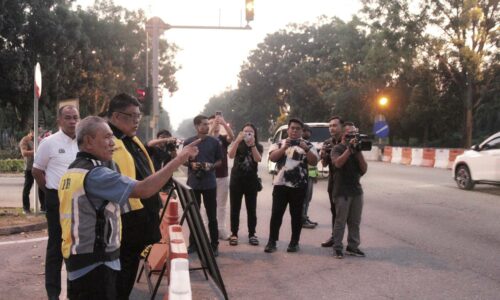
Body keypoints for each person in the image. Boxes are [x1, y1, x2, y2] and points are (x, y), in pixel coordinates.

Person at [59, 116, 199, 299]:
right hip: (96, 266)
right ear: (89, 141)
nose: (113, 143)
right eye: (107, 137)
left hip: (78, 260)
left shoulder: (73, 170)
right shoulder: (97, 175)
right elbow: (145, 189)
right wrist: (180, 159)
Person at [106, 93, 161, 299]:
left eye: (139, 116)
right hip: (125, 222)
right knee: (122, 272)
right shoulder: (109, 142)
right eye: (132, 116)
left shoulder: (129, 139)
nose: (137, 120)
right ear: (116, 116)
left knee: (128, 269)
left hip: (139, 220)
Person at [32, 105, 80, 300]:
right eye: (67, 118)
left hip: (80, 201)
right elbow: (37, 171)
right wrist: (51, 192)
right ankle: (53, 293)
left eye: (75, 117)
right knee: (56, 246)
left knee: (77, 245)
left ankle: (74, 290)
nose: (72, 122)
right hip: (56, 199)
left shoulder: (85, 141)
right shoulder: (49, 143)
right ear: (59, 120)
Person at [264, 118, 319, 253]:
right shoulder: (279, 143)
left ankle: (294, 242)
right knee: (276, 214)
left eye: (298, 129)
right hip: (280, 185)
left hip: (299, 186)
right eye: (292, 128)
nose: (294, 131)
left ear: (302, 131)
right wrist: (284, 148)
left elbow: (314, 162)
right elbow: (272, 158)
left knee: (296, 216)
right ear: (288, 130)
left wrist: (306, 149)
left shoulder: (308, 145)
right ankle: (272, 242)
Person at [184, 115, 222, 256]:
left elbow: (220, 161)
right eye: (204, 124)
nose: (207, 126)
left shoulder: (215, 142)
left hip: (210, 183)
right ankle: (193, 244)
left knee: (212, 216)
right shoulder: (189, 142)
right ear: (197, 126)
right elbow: (182, 160)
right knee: (194, 215)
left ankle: (214, 245)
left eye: (207, 124)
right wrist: (191, 164)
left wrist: (210, 166)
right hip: (193, 183)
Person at [331, 122, 368, 259]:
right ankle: (337, 248)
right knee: (340, 222)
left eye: (354, 134)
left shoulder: (357, 149)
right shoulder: (337, 149)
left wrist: (357, 152)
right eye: (349, 134)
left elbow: (364, 169)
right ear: (343, 135)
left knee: (355, 222)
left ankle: (353, 246)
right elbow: (338, 163)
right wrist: (348, 149)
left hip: (356, 191)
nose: (352, 137)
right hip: (342, 191)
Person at [227, 123, 263, 246]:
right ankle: (234, 234)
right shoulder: (238, 144)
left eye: (250, 132)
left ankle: (252, 234)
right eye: (245, 131)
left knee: (251, 210)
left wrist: (252, 145)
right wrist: (237, 141)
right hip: (236, 181)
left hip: (251, 182)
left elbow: (258, 159)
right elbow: (230, 155)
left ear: (254, 134)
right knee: (235, 209)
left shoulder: (258, 146)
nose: (248, 134)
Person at [208, 113, 234, 240]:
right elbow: (206, 139)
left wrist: (223, 122)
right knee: (208, 204)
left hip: (222, 175)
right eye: (212, 123)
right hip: (208, 177)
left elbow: (232, 137)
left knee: (222, 205)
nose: (215, 125)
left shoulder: (222, 139)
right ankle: (209, 229)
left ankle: (221, 229)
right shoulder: (206, 139)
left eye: (216, 123)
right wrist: (212, 127)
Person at [320, 116, 344, 247]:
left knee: (346, 213)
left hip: (346, 181)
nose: (331, 128)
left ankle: (351, 242)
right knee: (334, 210)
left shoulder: (348, 141)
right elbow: (323, 164)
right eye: (330, 126)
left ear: (342, 127)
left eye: (334, 125)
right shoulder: (327, 142)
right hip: (333, 181)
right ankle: (334, 237)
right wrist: (323, 155)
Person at [19, 129, 46, 214]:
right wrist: (36, 152)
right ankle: (26, 209)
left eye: (40, 132)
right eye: (37, 132)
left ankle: (43, 208)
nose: (39, 134)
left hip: (40, 167)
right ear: (31, 131)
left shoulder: (39, 140)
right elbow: (24, 153)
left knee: (42, 188)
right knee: (27, 188)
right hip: (30, 168)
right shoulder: (25, 140)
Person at [301, 125, 319, 229]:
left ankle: (305, 216)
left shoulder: (310, 145)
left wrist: (314, 176)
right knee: (304, 198)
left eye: (308, 131)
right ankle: (302, 219)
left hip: (310, 175)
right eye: (304, 131)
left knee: (308, 198)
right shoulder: (300, 144)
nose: (307, 133)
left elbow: (314, 162)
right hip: (303, 175)